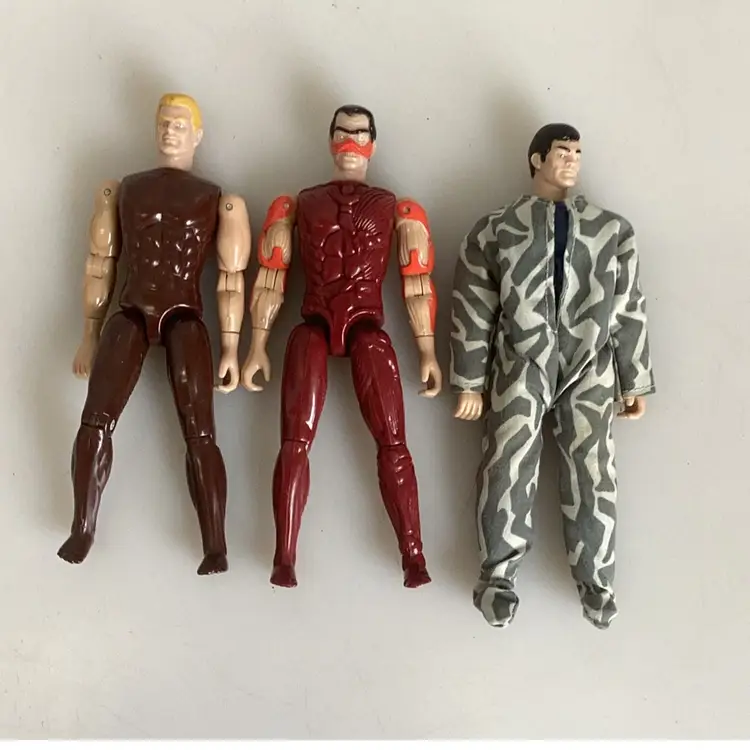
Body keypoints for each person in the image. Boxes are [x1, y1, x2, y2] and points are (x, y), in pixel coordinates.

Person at [450, 122, 656, 628]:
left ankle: (598, 585)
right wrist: (470, 380)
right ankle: (497, 580)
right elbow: (473, 306)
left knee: (594, 471)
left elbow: (628, 308)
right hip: (520, 358)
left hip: (590, 363)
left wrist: (633, 377)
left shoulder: (612, 231)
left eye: (577, 152)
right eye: (562, 151)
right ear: (536, 159)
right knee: (506, 462)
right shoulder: (496, 229)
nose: (571, 160)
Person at [241, 104, 442, 589]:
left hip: (368, 326)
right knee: (294, 441)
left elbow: (417, 282)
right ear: (330, 139)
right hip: (312, 320)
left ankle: (413, 554)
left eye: (360, 133)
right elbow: (271, 275)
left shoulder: (396, 208)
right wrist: (256, 346)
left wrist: (428, 352)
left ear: (373, 143)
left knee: (393, 440)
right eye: (342, 132)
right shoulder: (298, 204)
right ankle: (284, 554)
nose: (351, 142)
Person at [60, 93, 251, 575]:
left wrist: (232, 348)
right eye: (164, 122)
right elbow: (100, 262)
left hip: (185, 312)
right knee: (95, 419)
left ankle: (215, 543)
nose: (170, 131)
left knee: (200, 430)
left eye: (180, 124)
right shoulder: (125, 189)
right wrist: (89, 333)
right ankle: (82, 526)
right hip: (130, 308)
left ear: (198, 135)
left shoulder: (216, 198)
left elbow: (231, 278)